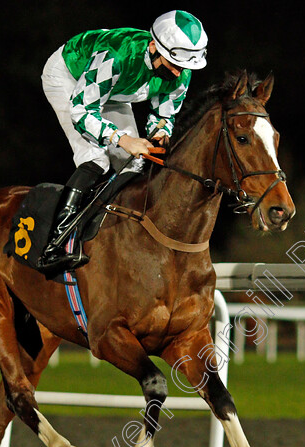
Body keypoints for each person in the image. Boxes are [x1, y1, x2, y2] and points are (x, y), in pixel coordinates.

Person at [37, 10, 208, 273]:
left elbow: (163, 114)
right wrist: (121, 138)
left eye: (184, 68)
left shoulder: (181, 66)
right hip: (70, 79)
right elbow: (82, 111)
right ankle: (56, 244)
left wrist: (159, 132)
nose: (178, 73)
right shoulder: (116, 55)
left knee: (133, 165)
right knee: (96, 158)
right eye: (174, 65)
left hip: (114, 91)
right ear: (154, 47)